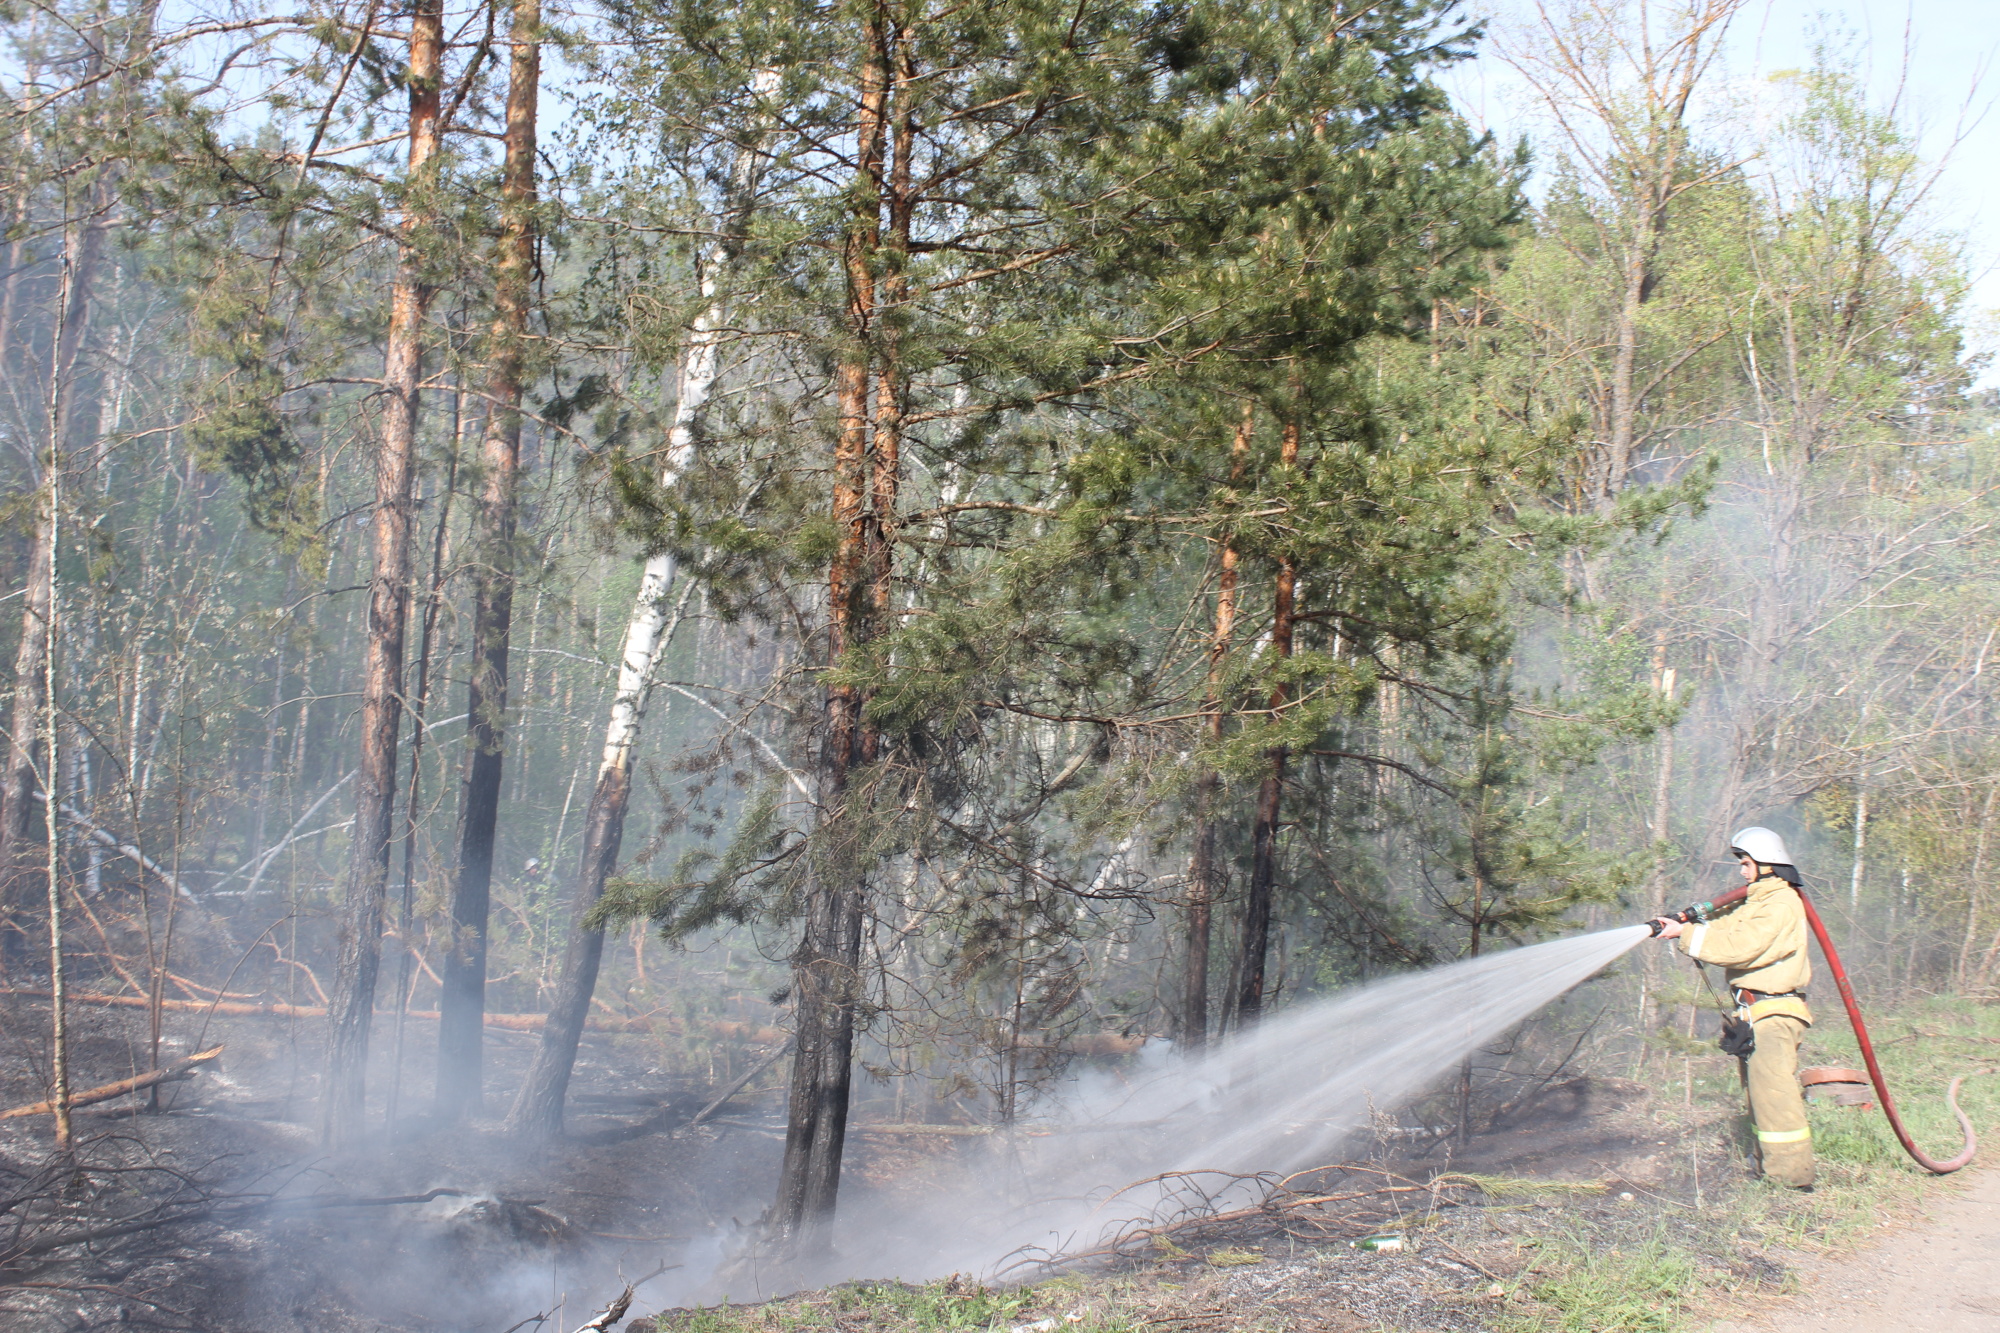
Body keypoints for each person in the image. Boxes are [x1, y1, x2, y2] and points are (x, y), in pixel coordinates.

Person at [1651, 826, 1814, 1189]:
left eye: (1746, 863)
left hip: (1775, 1012)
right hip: (1757, 1013)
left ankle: (1791, 1180)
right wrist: (1681, 925)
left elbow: (1742, 945)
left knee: (1775, 1097)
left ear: (1767, 864)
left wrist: (1687, 935)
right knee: (1761, 1097)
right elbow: (1727, 929)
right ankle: (1770, 1169)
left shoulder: (1781, 902)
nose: (1741, 871)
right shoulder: (1758, 902)